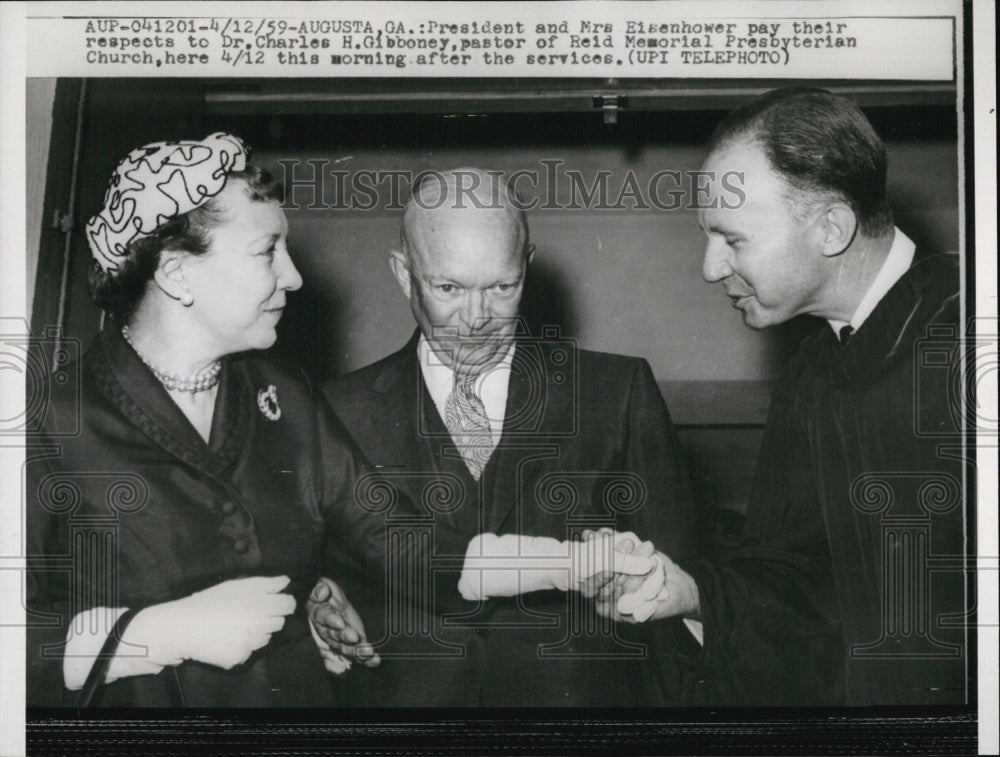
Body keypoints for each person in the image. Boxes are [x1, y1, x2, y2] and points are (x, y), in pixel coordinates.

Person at [602, 88, 967, 706]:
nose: (710, 268)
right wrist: (691, 593)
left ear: (831, 228)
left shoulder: (970, 339)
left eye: (733, 239)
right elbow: (799, 590)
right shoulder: (811, 374)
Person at [25, 133, 387, 707]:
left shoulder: (287, 394)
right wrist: (152, 635)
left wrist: (311, 596)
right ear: (176, 274)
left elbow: (391, 536)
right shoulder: (46, 421)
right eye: (267, 251)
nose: (294, 276)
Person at [318, 168, 699, 706]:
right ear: (404, 274)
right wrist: (316, 605)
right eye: (448, 288)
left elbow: (679, 596)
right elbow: (314, 576)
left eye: (501, 287)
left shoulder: (618, 391)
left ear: (527, 267)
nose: (476, 319)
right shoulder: (334, 410)